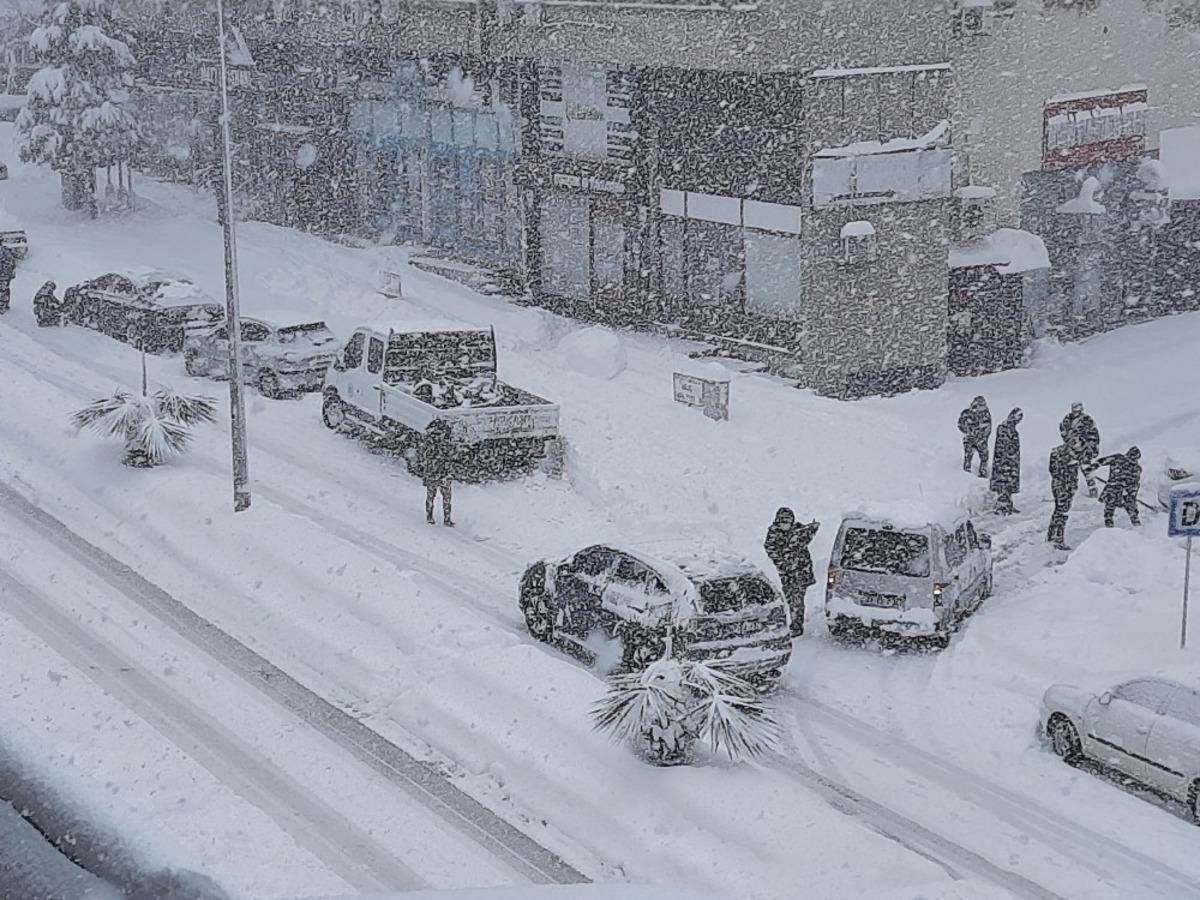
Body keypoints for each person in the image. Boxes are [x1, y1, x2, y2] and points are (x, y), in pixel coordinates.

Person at [764, 508, 819, 638]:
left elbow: (806, 537)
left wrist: (812, 528)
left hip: (802, 571)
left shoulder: (797, 530)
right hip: (788, 574)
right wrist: (786, 564)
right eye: (783, 521)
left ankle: (797, 624)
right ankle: (796, 624)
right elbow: (772, 551)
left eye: (788, 521)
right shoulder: (773, 534)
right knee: (793, 599)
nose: (785, 523)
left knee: (798, 598)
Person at [417, 419, 455, 526]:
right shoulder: (440, 444)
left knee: (433, 497)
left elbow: (424, 457)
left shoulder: (430, 443)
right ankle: (442, 518)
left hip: (437, 473)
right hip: (439, 473)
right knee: (443, 498)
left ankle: (434, 517)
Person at [1048, 439, 1083, 550]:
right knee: (1062, 512)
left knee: (1059, 510)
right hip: (1062, 486)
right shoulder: (1063, 454)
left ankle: (1051, 535)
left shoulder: (1064, 453)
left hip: (1063, 486)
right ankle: (1058, 538)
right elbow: (1055, 470)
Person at [1097, 446, 1142, 528]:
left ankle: (1136, 523)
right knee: (1114, 505)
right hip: (1117, 489)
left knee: (1117, 505)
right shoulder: (1119, 459)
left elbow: (1135, 484)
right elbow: (1101, 461)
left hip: (1121, 490)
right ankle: (1110, 522)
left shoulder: (1135, 468)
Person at [1061, 401, 1101, 492]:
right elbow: (1064, 432)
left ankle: (1092, 487)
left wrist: (1091, 447)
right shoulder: (1067, 419)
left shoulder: (1087, 420)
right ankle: (1070, 488)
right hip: (1071, 448)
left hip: (1084, 448)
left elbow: (1094, 434)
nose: (1076, 412)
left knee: (1086, 467)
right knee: (1070, 468)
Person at [990, 408, 1023, 515]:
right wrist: (1007, 460)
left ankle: (1008, 504)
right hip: (1005, 462)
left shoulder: (1011, 429)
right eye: (1018, 417)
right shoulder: (1004, 429)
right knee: (1004, 483)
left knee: (1009, 485)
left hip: (1011, 462)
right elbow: (1003, 447)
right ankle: (1002, 507)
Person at [957, 396, 992, 478]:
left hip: (980, 440)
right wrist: (968, 432)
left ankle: (982, 472)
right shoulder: (967, 413)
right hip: (970, 439)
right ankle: (966, 472)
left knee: (984, 457)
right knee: (968, 456)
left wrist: (983, 438)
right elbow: (960, 424)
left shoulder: (986, 414)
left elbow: (988, 428)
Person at [0, 243, 15, 314]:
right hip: (7, 275)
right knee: (5, 289)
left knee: (2, 290)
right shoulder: (6, 250)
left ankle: (2, 307)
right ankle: (5, 305)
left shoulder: (2, 252)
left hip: (3, 275)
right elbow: (13, 262)